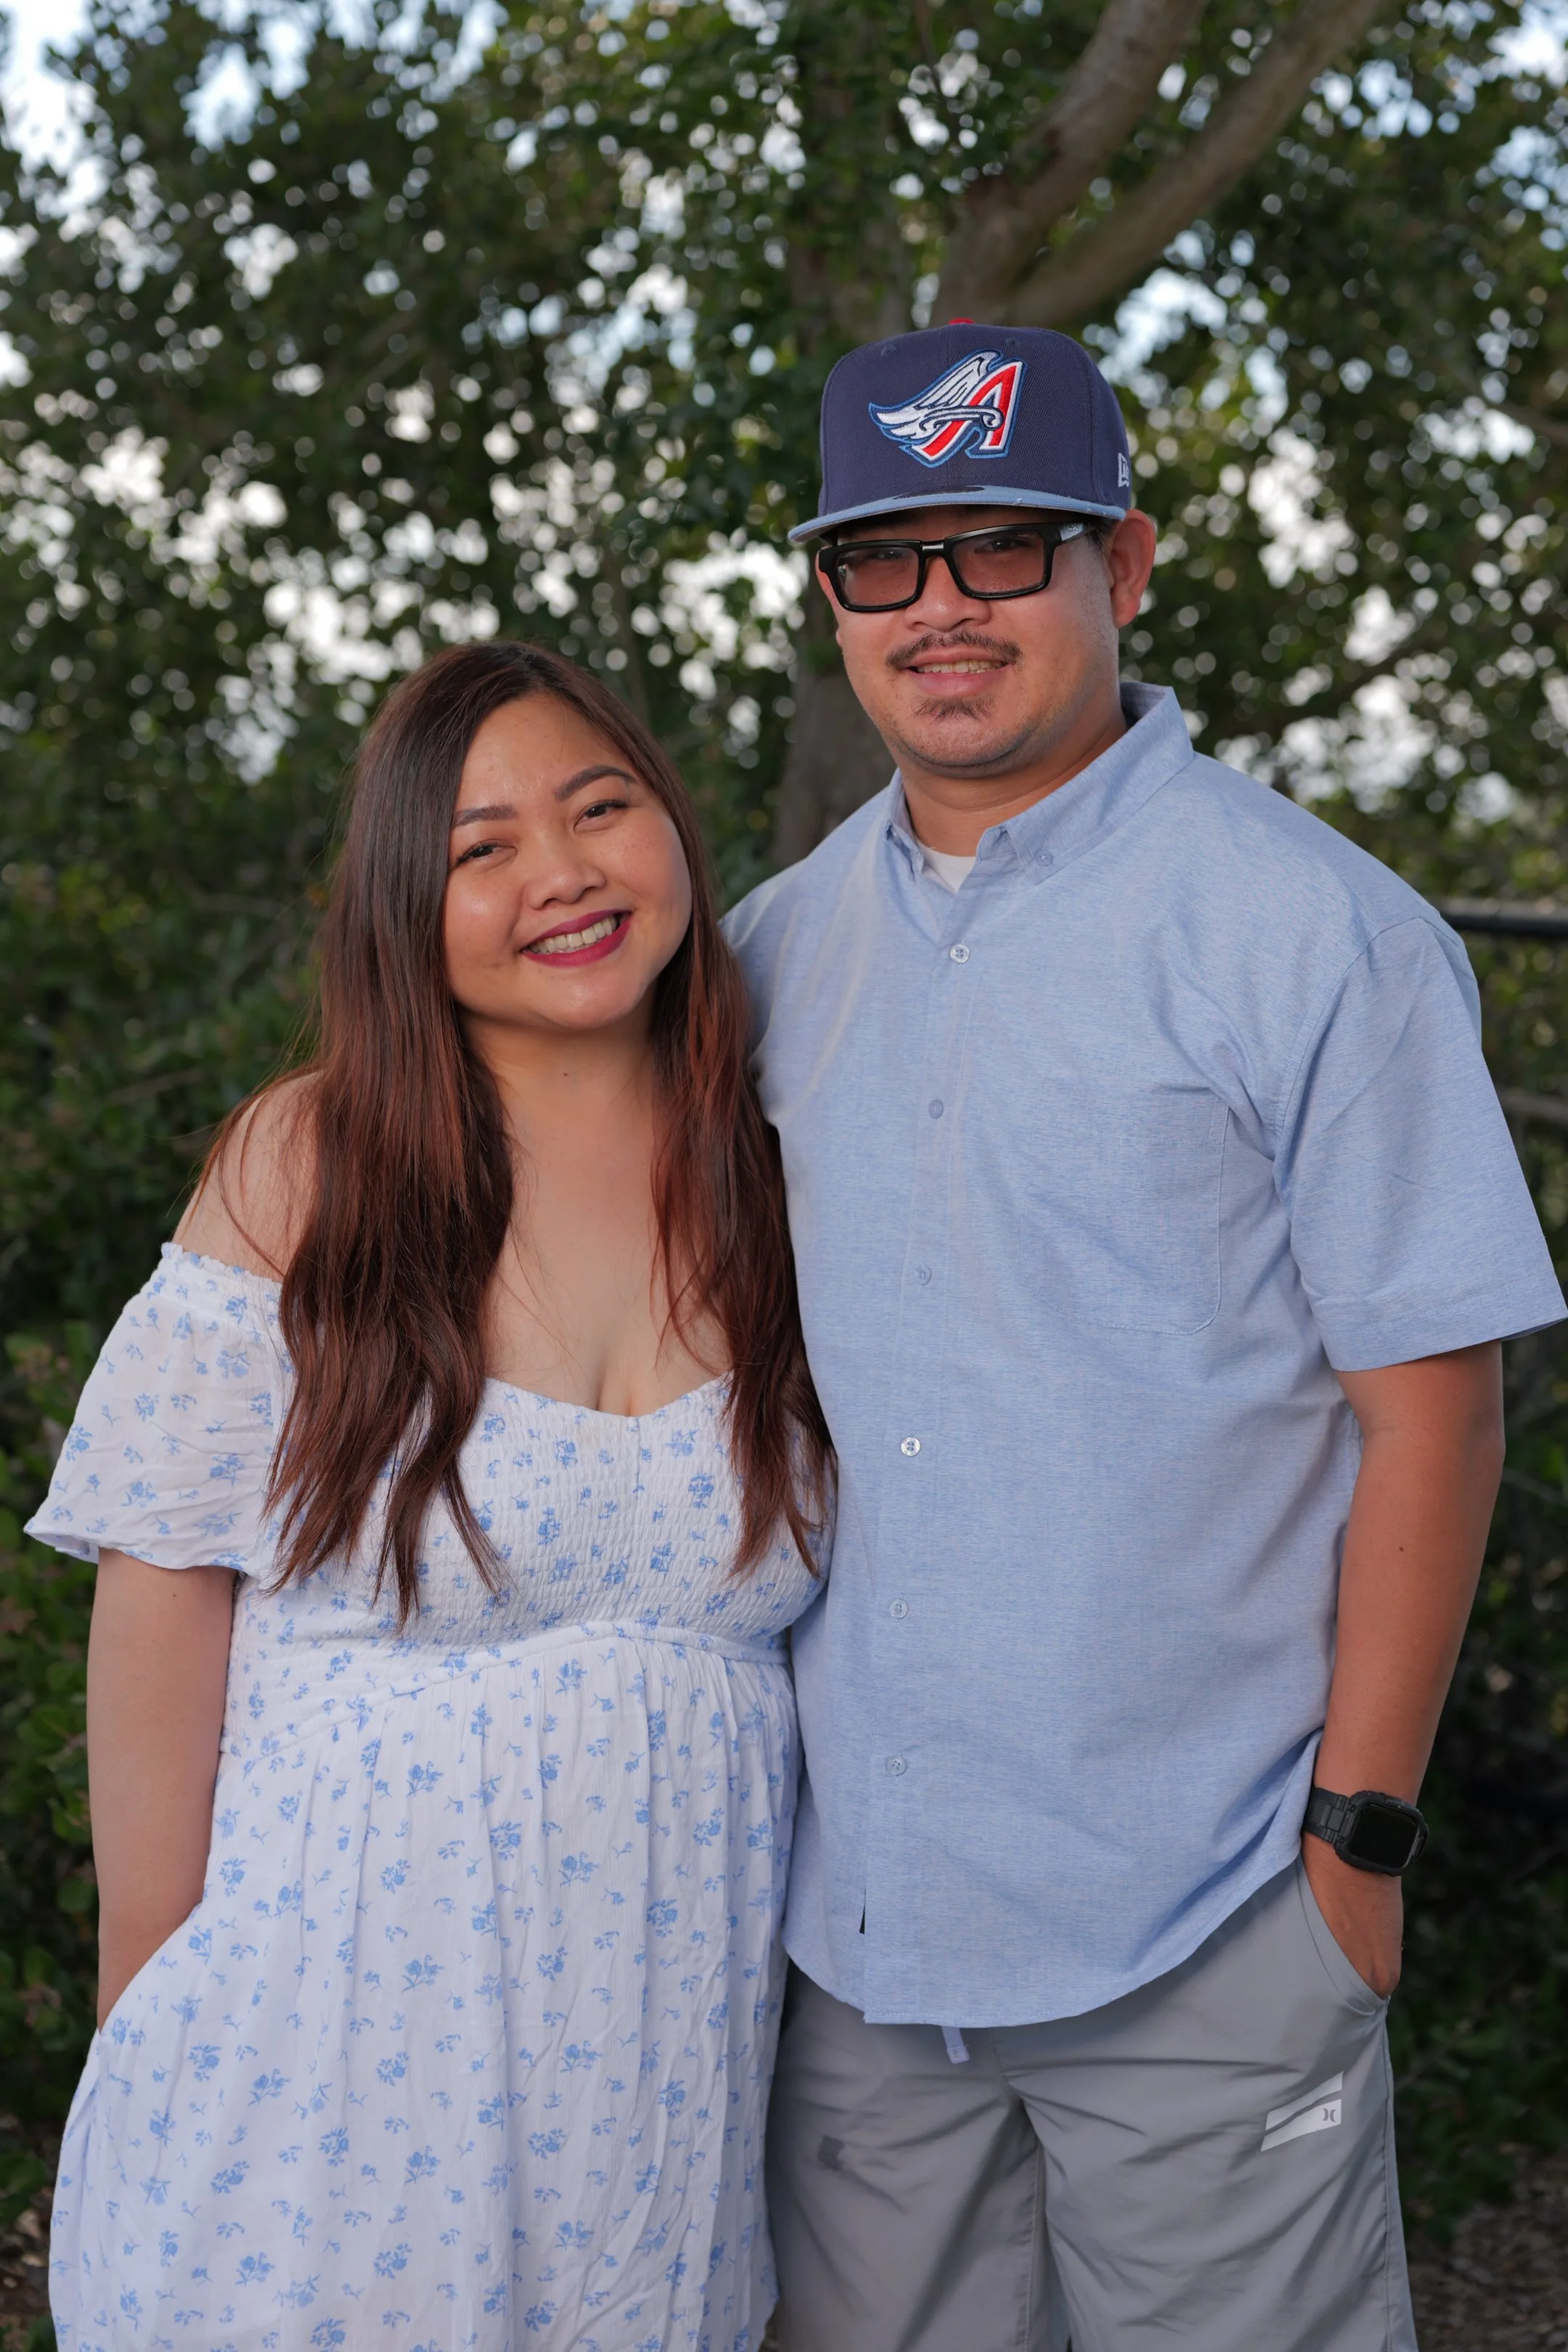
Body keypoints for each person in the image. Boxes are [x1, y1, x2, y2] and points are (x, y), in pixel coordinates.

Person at [727, 322, 1566, 2351]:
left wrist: (1353, 1858)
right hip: (852, 1952)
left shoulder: (1317, 933)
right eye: (883, 560)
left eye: (1002, 549)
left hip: (1205, 1926)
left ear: (1131, 562)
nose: (941, 610)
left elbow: (1438, 1417)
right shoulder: (763, 953)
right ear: (832, 597)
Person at [28, 642, 831, 2351]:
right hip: (329, 2058)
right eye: (484, 847)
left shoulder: (782, 1175)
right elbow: (161, 1593)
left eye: (599, 806)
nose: (563, 873)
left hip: (658, 2082)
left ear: (671, 826)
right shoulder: (305, 1167)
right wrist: (143, 2006)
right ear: (411, 903)